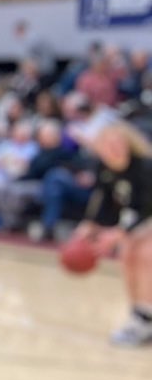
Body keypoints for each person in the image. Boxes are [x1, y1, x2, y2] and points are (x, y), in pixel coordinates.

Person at [69, 119, 152, 347]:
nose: (114, 149)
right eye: (108, 145)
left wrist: (119, 233)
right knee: (127, 256)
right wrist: (90, 225)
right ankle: (139, 314)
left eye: (118, 143)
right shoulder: (104, 169)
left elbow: (146, 207)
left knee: (146, 255)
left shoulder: (145, 167)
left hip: (147, 213)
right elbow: (105, 202)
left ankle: (146, 317)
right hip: (139, 217)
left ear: (129, 144)